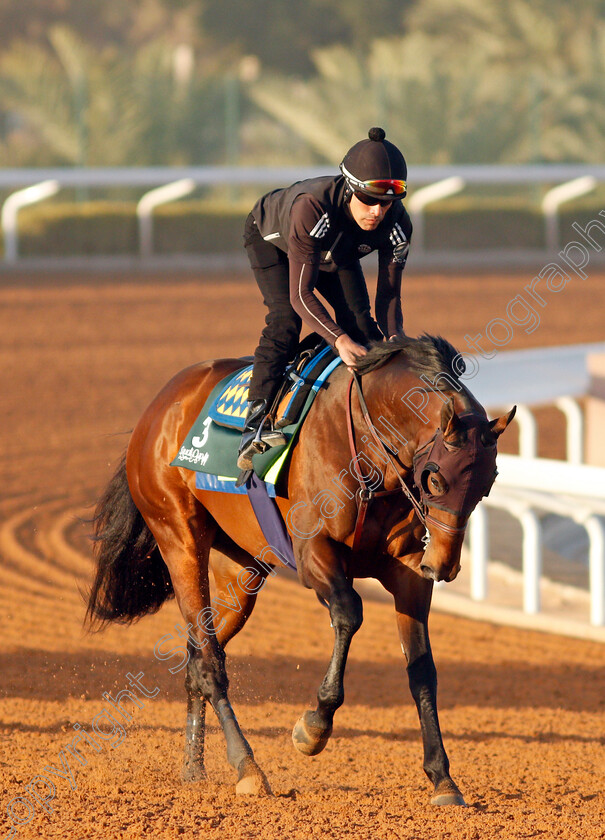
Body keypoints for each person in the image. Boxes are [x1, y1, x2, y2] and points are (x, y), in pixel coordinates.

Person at [237, 126, 412, 470]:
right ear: (349, 190)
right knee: (286, 320)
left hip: (334, 248)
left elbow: (389, 297)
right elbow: (301, 295)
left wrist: (397, 343)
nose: (377, 212)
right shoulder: (313, 207)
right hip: (275, 241)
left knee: (364, 327)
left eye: (387, 203)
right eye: (369, 200)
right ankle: (255, 422)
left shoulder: (398, 224)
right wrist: (338, 339)